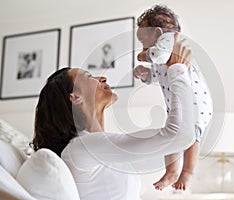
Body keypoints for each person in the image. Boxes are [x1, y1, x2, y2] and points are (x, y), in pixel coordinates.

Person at [31, 33, 195, 200]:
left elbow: (172, 144)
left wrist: (167, 79)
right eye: (88, 76)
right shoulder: (82, 148)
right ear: (75, 97)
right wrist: (177, 68)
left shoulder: (98, 149)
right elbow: (181, 135)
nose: (102, 77)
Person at [134, 5, 213, 191]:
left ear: (158, 33)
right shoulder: (163, 56)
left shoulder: (170, 40)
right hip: (177, 103)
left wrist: (143, 56)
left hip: (196, 102)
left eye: (143, 40)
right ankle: (171, 171)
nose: (142, 47)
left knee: (192, 135)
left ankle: (187, 172)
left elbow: (159, 55)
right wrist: (145, 74)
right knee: (171, 136)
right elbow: (158, 75)